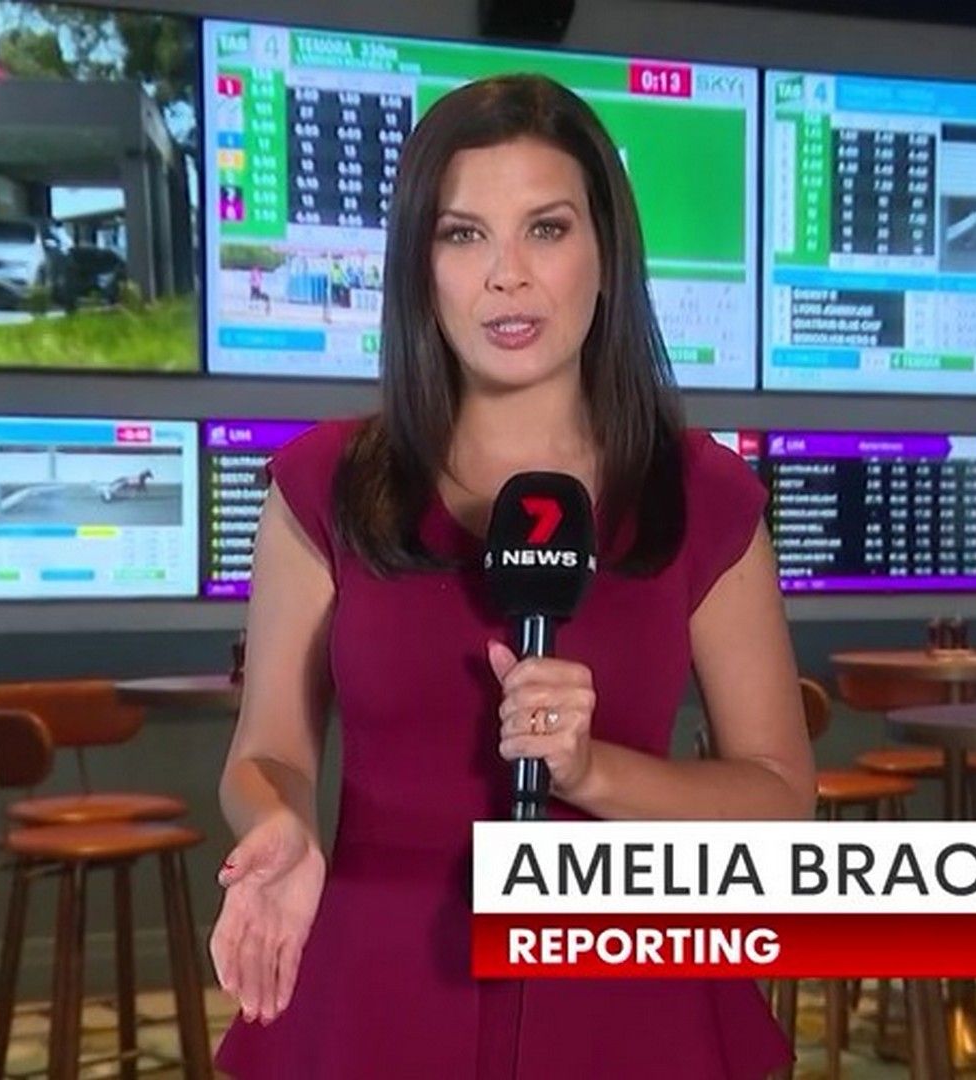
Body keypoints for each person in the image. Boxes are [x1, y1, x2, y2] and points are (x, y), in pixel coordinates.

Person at [210, 74, 812, 1078]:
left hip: (628, 998)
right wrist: (277, 823)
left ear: (606, 252)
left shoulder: (702, 498)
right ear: (421, 267)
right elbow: (267, 750)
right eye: (463, 235)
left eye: (546, 229)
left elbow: (780, 800)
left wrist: (591, 771)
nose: (507, 276)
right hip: (379, 987)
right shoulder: (324, 486)